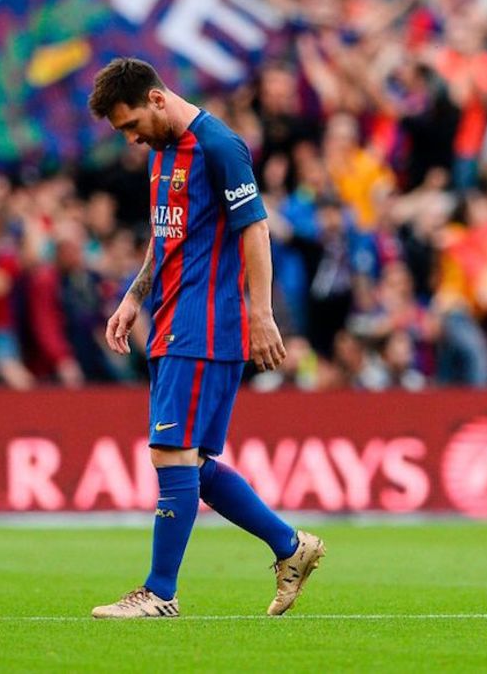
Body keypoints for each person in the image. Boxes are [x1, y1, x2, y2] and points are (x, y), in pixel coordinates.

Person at [86, 57, 325, 619]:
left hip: (204, 325)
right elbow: (165, 235)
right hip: (170, 321)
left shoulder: (220, 146)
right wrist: (133, 296)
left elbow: (255, 228)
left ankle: (159, 592)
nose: (130, 139)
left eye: (130, 125)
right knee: (192, 465)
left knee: (171, 452)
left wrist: (262, 314)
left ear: (157, 99)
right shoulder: (163, 153)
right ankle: (292, 547)